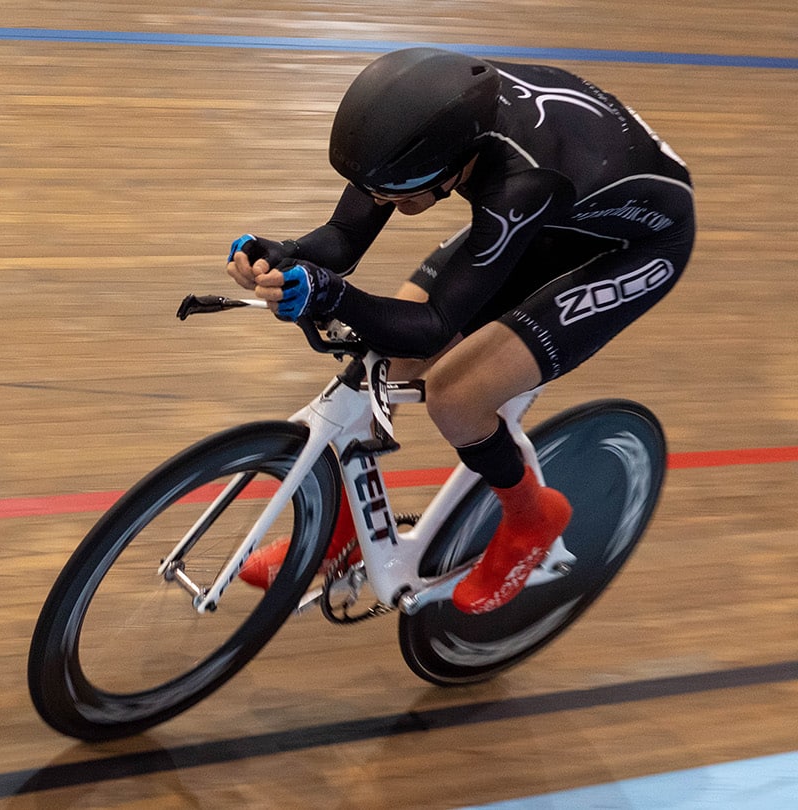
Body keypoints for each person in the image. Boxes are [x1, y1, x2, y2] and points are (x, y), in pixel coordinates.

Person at [227, 47, 694, 614]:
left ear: (452, 168)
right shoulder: (433, 125)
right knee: (380, 360)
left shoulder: (519, 181)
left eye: (393, 193)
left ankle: (532, 517)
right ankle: (342, 529)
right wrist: (289, 251)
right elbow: (345, 238)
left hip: (637, 245)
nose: (379, 203)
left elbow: (432, 328)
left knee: (457, 396)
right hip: (557, 208)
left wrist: (334, 294)